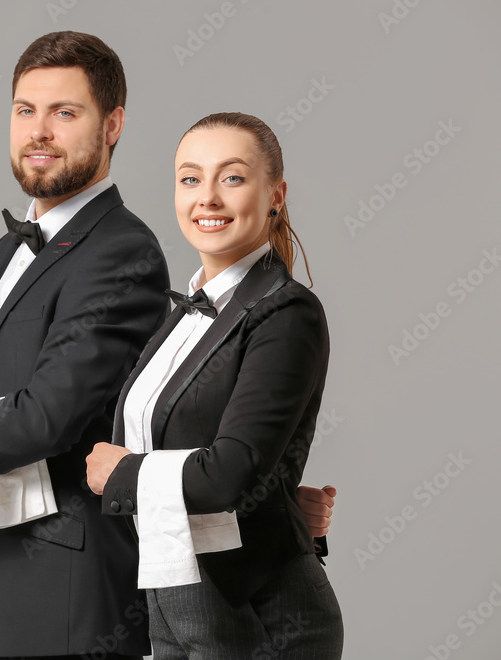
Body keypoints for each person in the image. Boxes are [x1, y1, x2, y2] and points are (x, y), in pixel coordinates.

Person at [0, 33, 336, 660]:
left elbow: (54, 417)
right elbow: (166, 427)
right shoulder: (24, 256)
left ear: (113, 125)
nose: (40, 131)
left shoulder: (125, 253)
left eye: (65, 112)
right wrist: (278, 505)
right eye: (26, 110)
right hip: (52, 583)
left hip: (79, 592)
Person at [86, 112, 344, 659]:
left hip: (258, 613)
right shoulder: (181, 318)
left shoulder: (287, 312)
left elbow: (229, 471)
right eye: (189, 178)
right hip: (171, 597)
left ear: (275, 194)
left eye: (231, 177)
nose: (207, 197)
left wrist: (122, 473)